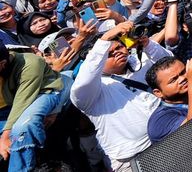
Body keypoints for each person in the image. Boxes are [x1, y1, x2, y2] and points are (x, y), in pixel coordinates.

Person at [70, 21, 167, 171]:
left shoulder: (139, 61)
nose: (118, 52)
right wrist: (106, 37)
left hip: (168, 135)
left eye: (120, 47)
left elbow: (169, 63)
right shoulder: (91, 91)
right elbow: (84, 82)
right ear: (99, 57)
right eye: (109, 54)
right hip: (133, 158)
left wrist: (147, 43)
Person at [0, 42, 72, 171]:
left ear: (2, 64)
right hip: (9, 108)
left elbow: (22, 101)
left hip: (44, 92)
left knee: (21, 129)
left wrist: (5, 138)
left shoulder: (29, 63)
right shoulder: (3, 68)